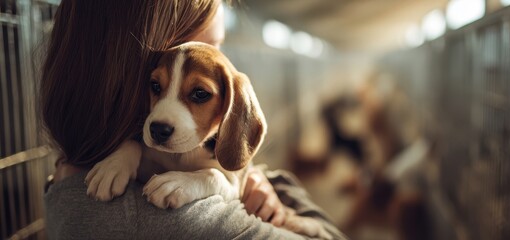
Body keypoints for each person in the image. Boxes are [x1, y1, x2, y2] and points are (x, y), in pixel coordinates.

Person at [40, 0, 347, 239]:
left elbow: (227, 175)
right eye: (157, 86)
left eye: (198, 93)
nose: (208, 56)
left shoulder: (67, 185)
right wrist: (128, 153)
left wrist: (262, 182)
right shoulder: (165, 224)